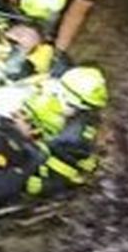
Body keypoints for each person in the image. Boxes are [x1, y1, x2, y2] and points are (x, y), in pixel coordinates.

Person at [15, 64, 108, 199]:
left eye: (68, 102)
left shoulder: (75, 136)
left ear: (83, 107)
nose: (60, 100)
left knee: (20, 183)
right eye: (59, 93)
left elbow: (44, 154)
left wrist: (26, 137)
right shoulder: (55, 95)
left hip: (53, 175)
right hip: (39, 145)